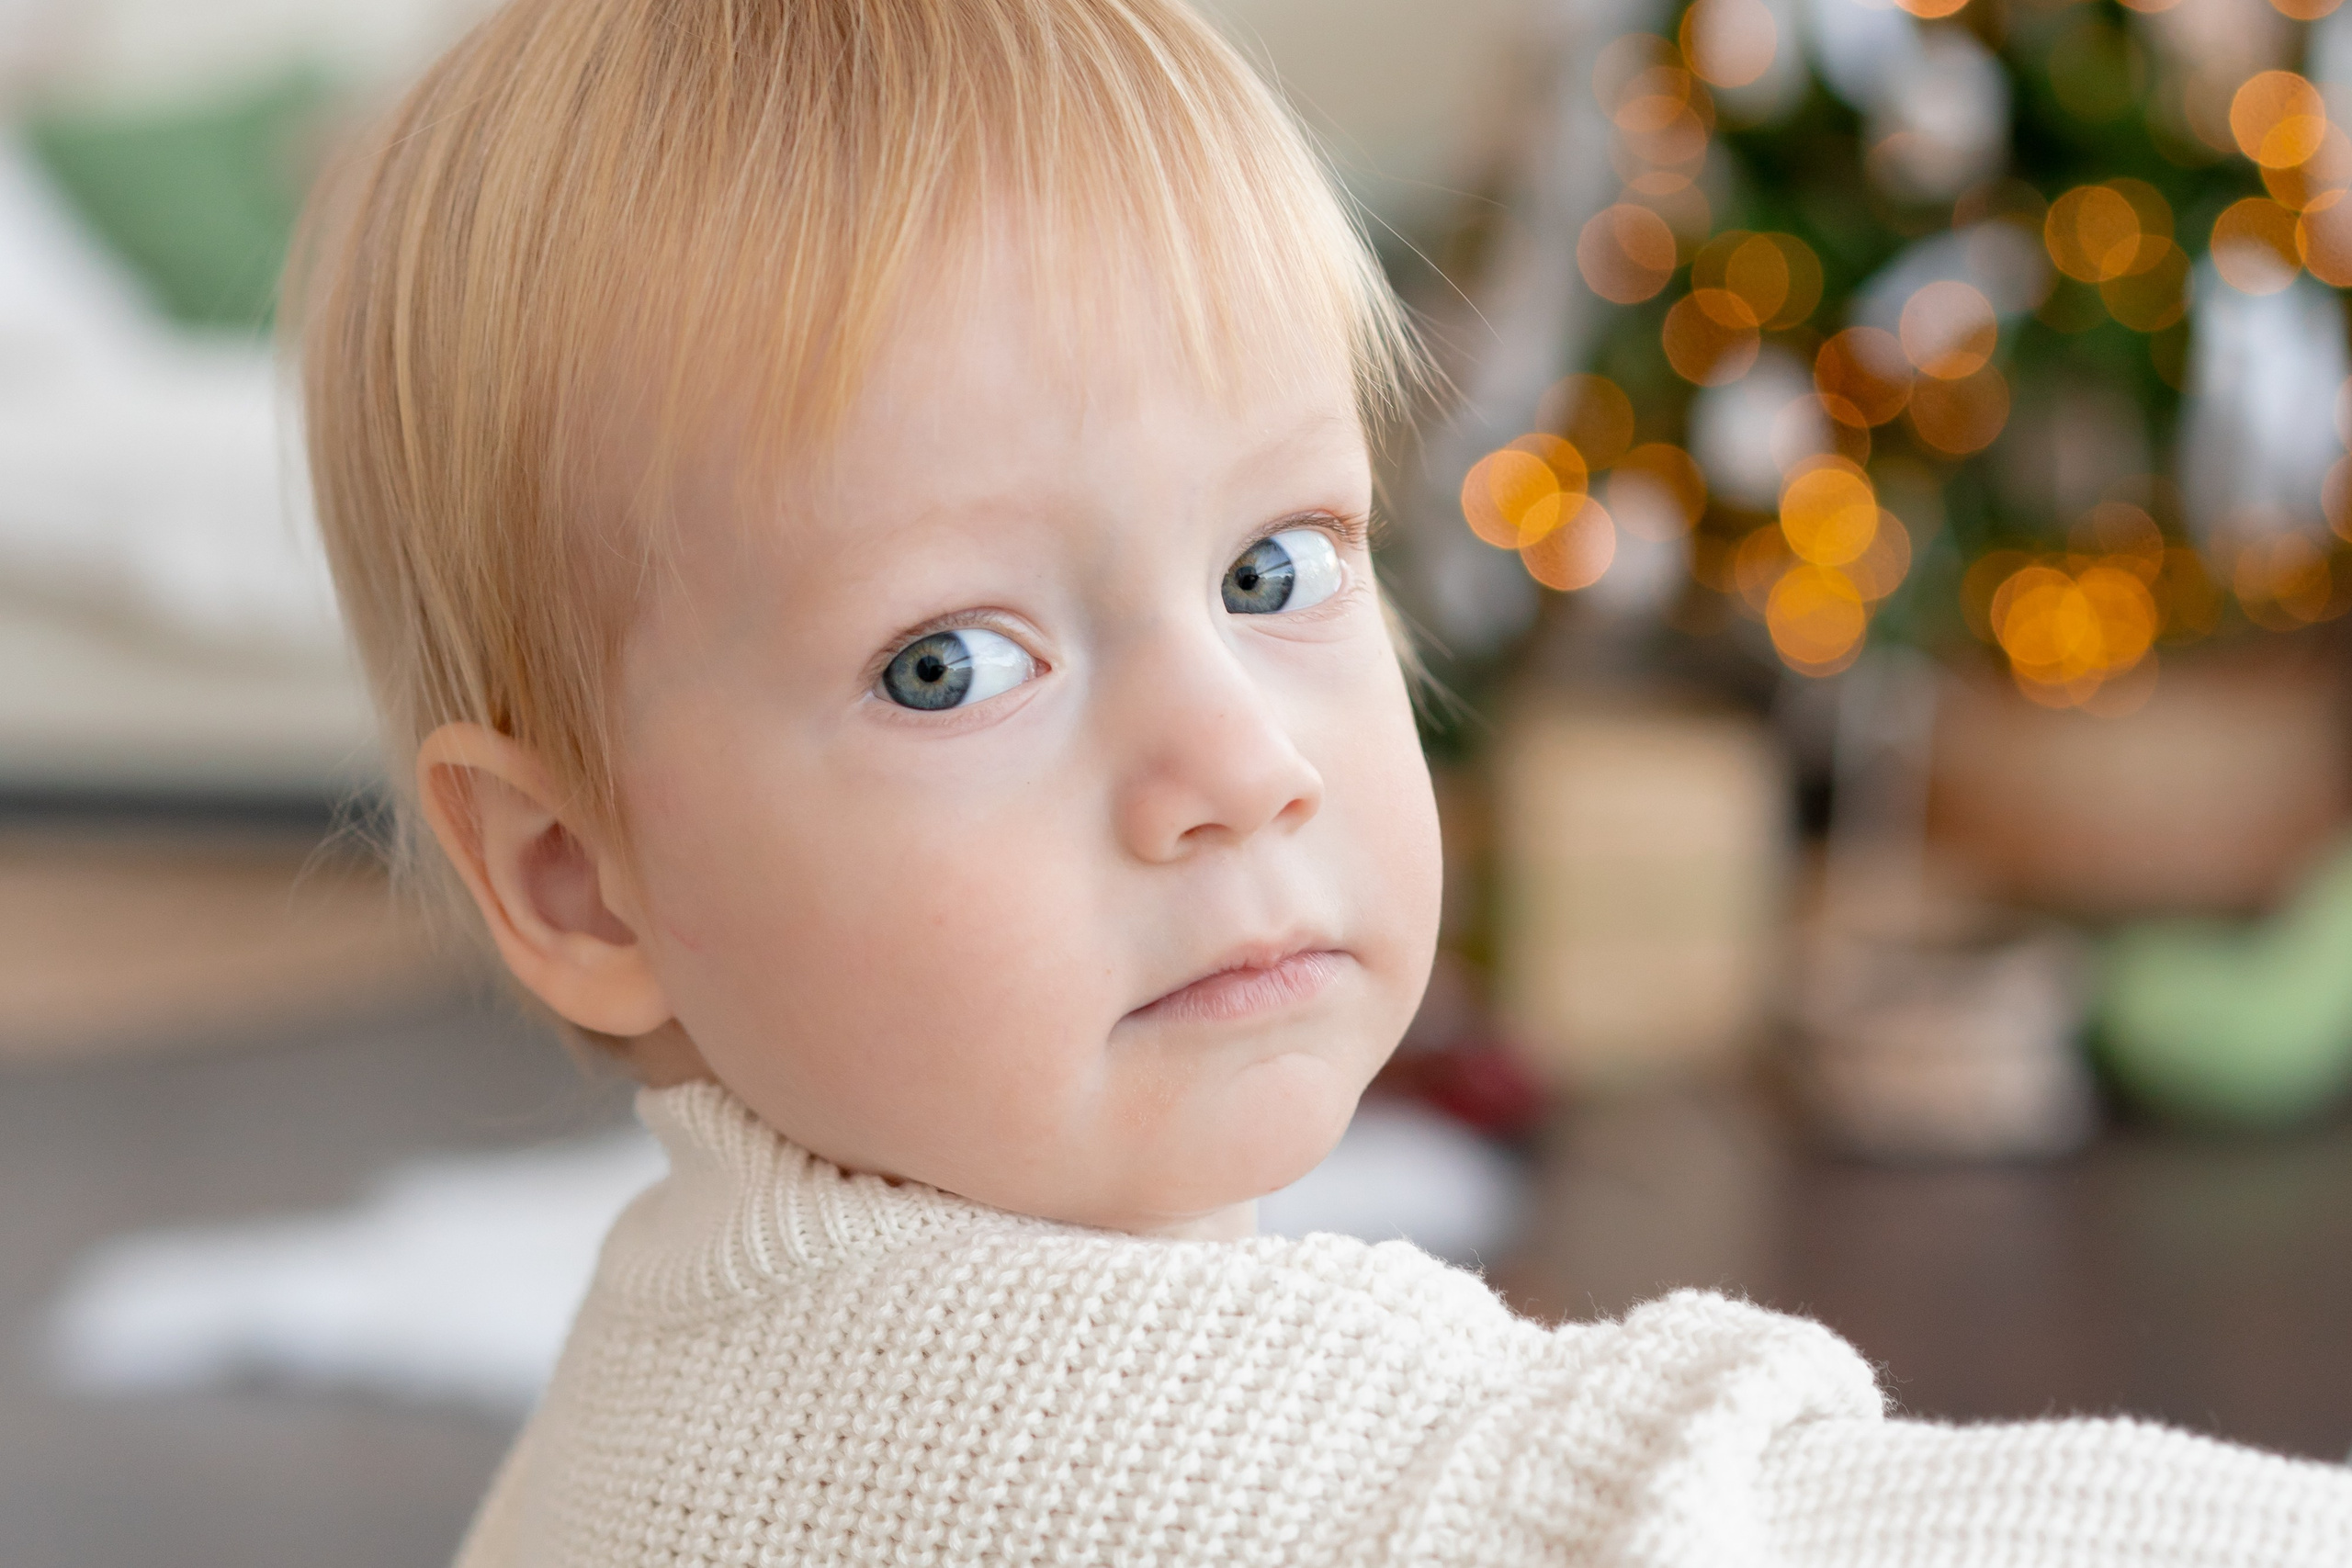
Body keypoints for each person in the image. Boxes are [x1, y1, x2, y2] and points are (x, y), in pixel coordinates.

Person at [289, 0, 2352, 1562]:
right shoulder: (1231, 1458)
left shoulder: (642, 1383)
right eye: (949, 664)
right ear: (575, 878)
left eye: (1273, 568)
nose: (1235, 764)